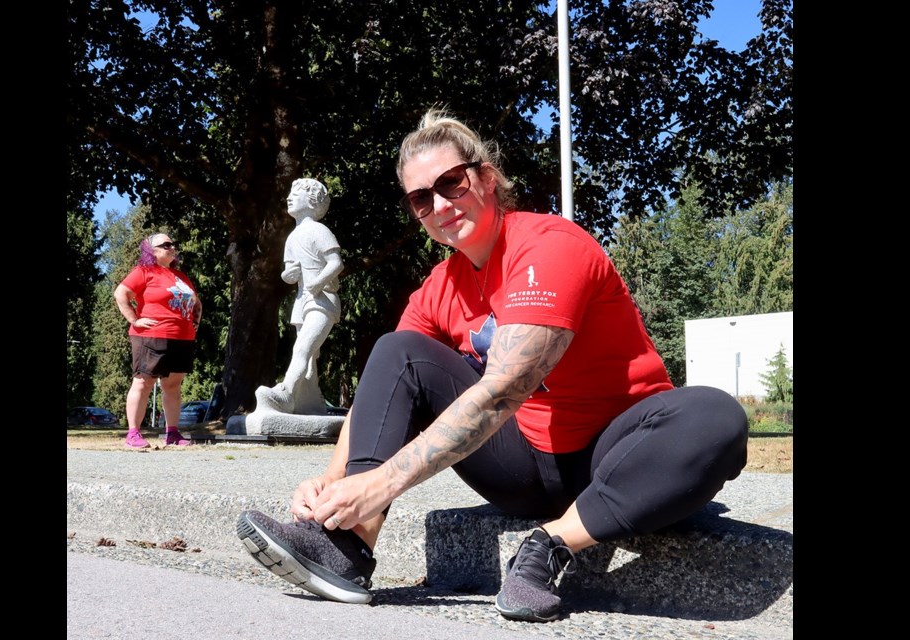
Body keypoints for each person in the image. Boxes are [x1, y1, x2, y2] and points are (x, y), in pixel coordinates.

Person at [236, 109, 748, 622]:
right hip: (523, 465)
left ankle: (549, 545)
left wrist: (381, 483)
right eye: (420, 198)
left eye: (451, 182)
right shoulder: (441, 284)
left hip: (618, 458)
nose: (439, 204)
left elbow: (504, 389)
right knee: (396, 348)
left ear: (485, 177)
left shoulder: (549, 246)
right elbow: (386, 383)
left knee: (715, 416)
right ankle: (345, 546)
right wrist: (333, 488)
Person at [259, 178, 343, 414]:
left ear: (313, 201)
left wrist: (316, 283)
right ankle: (311, 403)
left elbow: (336, 263)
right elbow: (288, 273)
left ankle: (285, 393)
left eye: (297, 192)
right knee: (309, 361)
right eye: (290, 191)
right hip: (303, 301)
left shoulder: (319, 230)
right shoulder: (293, 237)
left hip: (323, 300)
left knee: (303, 348)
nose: (290, 196)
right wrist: (290, 274)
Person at [114, 232, 202, 449]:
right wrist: (135, 320)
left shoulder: (181, 277)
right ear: (151, 251)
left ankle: (172, 433)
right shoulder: (144, 271)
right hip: (151, 336)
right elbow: (121, 294)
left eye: (173, 244)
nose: (172, 247)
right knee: (144, 382)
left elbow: (196, 302)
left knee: (173, 385)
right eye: (165, 245)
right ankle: (133, 434)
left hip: (181, 337)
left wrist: (194, 323)